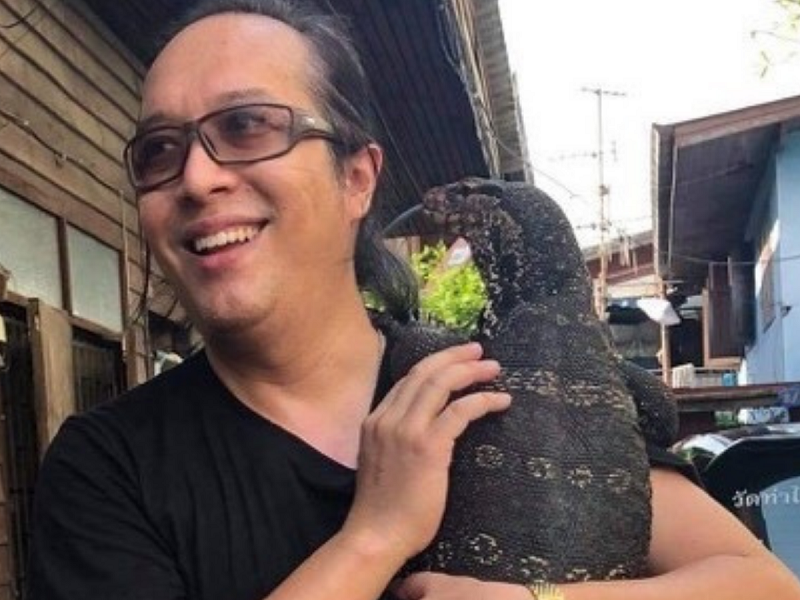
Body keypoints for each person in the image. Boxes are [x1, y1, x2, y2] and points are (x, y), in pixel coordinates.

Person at [28, 1, 800, 599]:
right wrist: (375, 535)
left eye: (247, 126)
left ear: (357, 178)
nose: (196, 178)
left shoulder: (492, 384)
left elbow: (763, 584)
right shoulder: (106, 469)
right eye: (160, 150)